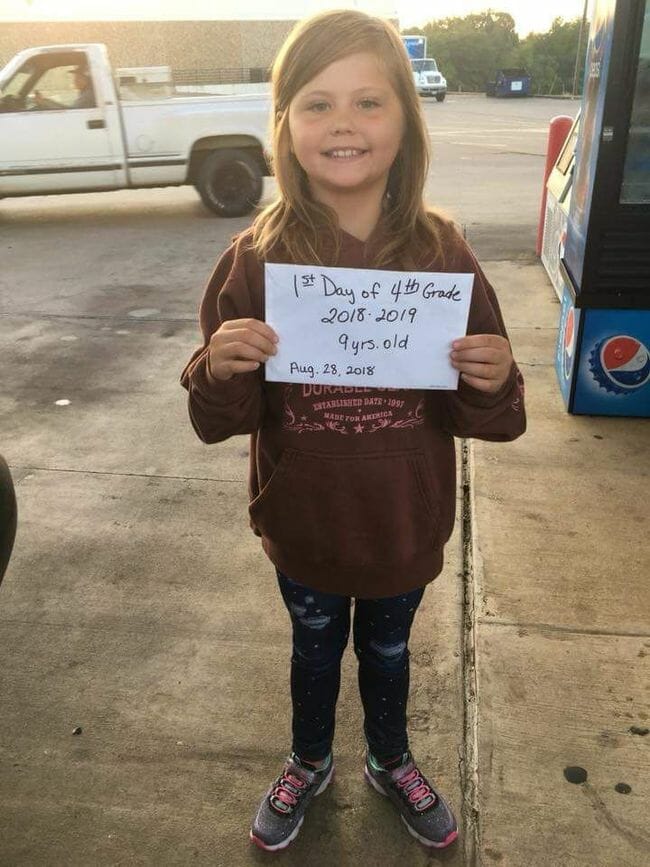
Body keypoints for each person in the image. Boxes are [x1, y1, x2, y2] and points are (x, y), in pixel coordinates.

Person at [180, 9, 526, 853]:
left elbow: (498, 411)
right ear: (286, 127)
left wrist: (491, 377)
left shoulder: (444, 254)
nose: (343, 123)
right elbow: (215, 417)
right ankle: (308, 757)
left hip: (402, 525)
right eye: (317, 103)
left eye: (370, 102)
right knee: (312, 648)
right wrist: (219, 369)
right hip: (305, 524)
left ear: (406, 121)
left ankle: (389, 754)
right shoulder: (257, 258)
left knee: (388, 652)